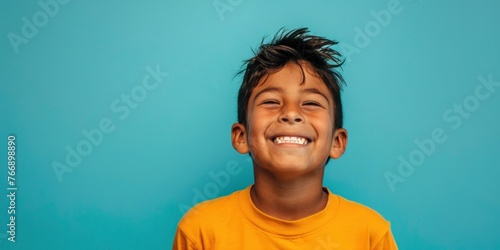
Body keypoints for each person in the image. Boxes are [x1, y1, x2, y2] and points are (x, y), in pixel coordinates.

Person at [172, 27, 398, 249]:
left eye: (311, 103)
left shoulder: (370, 235)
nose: (291, 114)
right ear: (241, 137)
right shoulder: (200, 231)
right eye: (271, 101)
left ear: (336, 142)